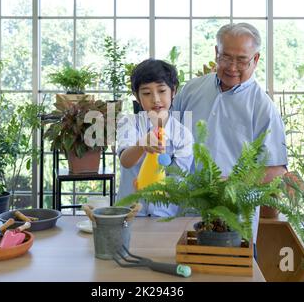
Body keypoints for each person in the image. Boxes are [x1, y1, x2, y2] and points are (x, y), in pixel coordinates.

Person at [172, 22, 288, 256]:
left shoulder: (262, 107)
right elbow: (169, 140)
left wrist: (232, 181)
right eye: (226, 57)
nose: (232, 67)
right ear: (216, 53)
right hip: (182, 216)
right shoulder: (191, 90)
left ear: (255, 60)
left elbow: (277, 170)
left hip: (233, 226)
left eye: (242, 60)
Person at [116, 59, 194, 217]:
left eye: (162, 91)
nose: (156, 99)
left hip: (165, 216)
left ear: (174, 91)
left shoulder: (183, 135)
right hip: (129, 214)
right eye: (146, 93)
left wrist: (154, 186)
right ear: (137, 97)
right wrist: (141, 145)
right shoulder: (129, 123)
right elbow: (125, 160)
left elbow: (179, 178)